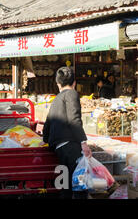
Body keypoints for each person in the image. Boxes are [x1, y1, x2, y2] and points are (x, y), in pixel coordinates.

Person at [43, 67, 92, 199]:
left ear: (58, 83)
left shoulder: (56, 99)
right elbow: (74, 119)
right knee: (80, 184)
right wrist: (83, 142)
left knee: (66, 186)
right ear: (74, 83)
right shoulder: (72, 94)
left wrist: (45, 140)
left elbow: (47, 124)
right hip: (71, 148)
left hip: (59, 149)